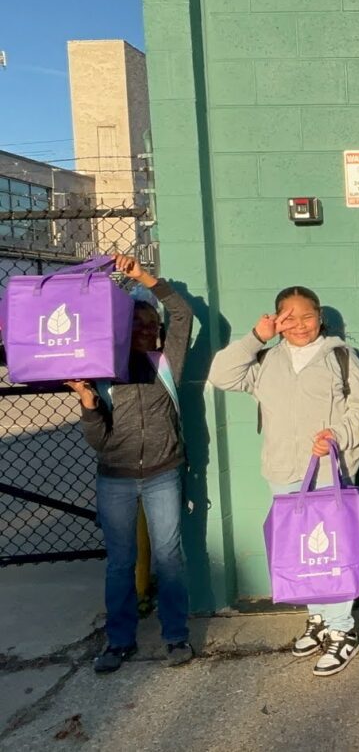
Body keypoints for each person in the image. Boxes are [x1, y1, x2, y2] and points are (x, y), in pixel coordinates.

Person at [208, 286, 359, 677]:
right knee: (303, 556)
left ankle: (342, 630)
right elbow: (220, 375)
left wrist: (337, 435)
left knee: (332, 556)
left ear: (321, 318)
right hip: (283, 472)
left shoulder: (342, 358)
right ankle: (319, 619)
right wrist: (255, 337)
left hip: (331, 472)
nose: (299, 325)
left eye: (308, 316)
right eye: (289, 317)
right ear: (277, 320)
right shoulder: (265, 359)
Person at [67, 254, 194, 674]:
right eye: (135, 324)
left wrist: (141, 276)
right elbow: (99, 442)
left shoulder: (166, 362)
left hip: (163, 473)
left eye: (150, 325)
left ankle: (176, 636)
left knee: (170, 555)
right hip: (116, 479)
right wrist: (88, 404)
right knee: (120, 562)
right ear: (121, 329)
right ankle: (119, 640)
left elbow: (182, 311)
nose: (144, 330)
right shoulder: (105, 371)